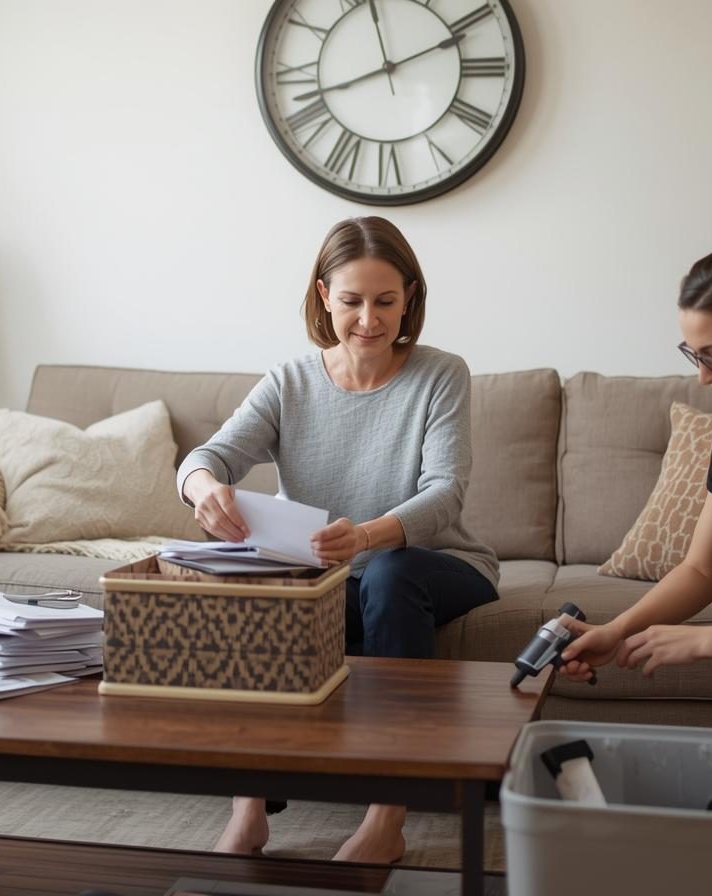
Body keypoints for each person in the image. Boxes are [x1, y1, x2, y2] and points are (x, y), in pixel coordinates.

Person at [176, 216, 499, 863]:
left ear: (410, 296)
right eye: (352, 301)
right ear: (324, 296)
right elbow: (207, 455)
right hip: (331, 576)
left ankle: (388, 817)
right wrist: (202, 488)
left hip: (438, 562)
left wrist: (370, 535)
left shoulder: (442, 375)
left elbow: (444, 494)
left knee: (389, 574)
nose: (369, 320)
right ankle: (249, 811)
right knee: (259, 587)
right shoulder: (290, 381)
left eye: (386, 301)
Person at [560, 235, 712, 755]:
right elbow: (702, 569)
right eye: (694, 356)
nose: (701, 377)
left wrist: (707, 639)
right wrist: (617, 630)